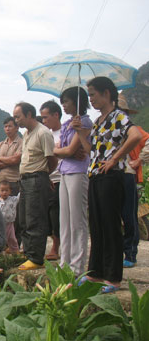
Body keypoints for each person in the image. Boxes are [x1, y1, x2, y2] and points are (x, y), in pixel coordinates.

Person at [73, 76, 141, 293]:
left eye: (93, 94)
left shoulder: (118, 116)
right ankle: (95, 273)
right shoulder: (99, 121)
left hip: (112, 176)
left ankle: (113, 277)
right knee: (97, 224)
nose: (91, 99)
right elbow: (90, 149)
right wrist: (79, 131)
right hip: (95, 174)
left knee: (111, 225)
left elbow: (135, 135)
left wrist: (114, 158)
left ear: (106, 93)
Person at [13, 102, 57, 270]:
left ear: (29, 114)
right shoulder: (26, 134)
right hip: (24, 180)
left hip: (36, 179)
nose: (16, 120)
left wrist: (44, 176)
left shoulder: (43, 133)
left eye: (18, 116)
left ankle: (36, 258)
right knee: (23, 218)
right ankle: (28, 253)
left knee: (35, 219)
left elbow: (52, 159)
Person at [53, 87, 92, 276]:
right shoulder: (67, 123)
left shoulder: (84, 122)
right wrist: (63, 151)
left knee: (77, 220)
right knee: (65, 220)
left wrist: (63, 151)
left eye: (66, 102)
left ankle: (77, 266)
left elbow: (67, 151)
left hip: (78, 172)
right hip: (65, 172)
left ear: (77, 101)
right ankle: (64, 262)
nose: (64, 106)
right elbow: (60, 149)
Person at [117, 95, 149, 268]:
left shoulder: (134, 129)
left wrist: (139, 160)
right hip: (111, 176)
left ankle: (130, 253)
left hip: (127, 174)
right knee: (114, 215)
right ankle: (118, 252)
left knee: (129, 215)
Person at [0, 117, 23, 244]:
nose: (7, 129)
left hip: (14, 181)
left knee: (15, 215)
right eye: (5, 126)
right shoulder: (0, 144)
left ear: (17, 127)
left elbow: (16, 160)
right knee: (1, 214)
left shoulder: (22, 142)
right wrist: (8, 160)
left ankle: (16, 243)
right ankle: (4, 243)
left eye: (10, 126)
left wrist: (2, 159)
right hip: (1, 183)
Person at [40, 100, 62, 261]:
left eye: (46, 117)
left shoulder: (65, 132)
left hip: (60, 178)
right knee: (46, 214)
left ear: (56, 115)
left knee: (56, 214)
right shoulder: (46, 133)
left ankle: (56, 247)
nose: (44, 121)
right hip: (46, 179)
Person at [0, 181, 20, 254]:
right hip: (0, 225)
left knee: (12, 238)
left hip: (10, 224)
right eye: (2, 190)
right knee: (0, 239)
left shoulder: (13, 199)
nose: (4, 192)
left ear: (10, 191)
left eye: (6, 190)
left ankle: (15, 252)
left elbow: (20, 196)